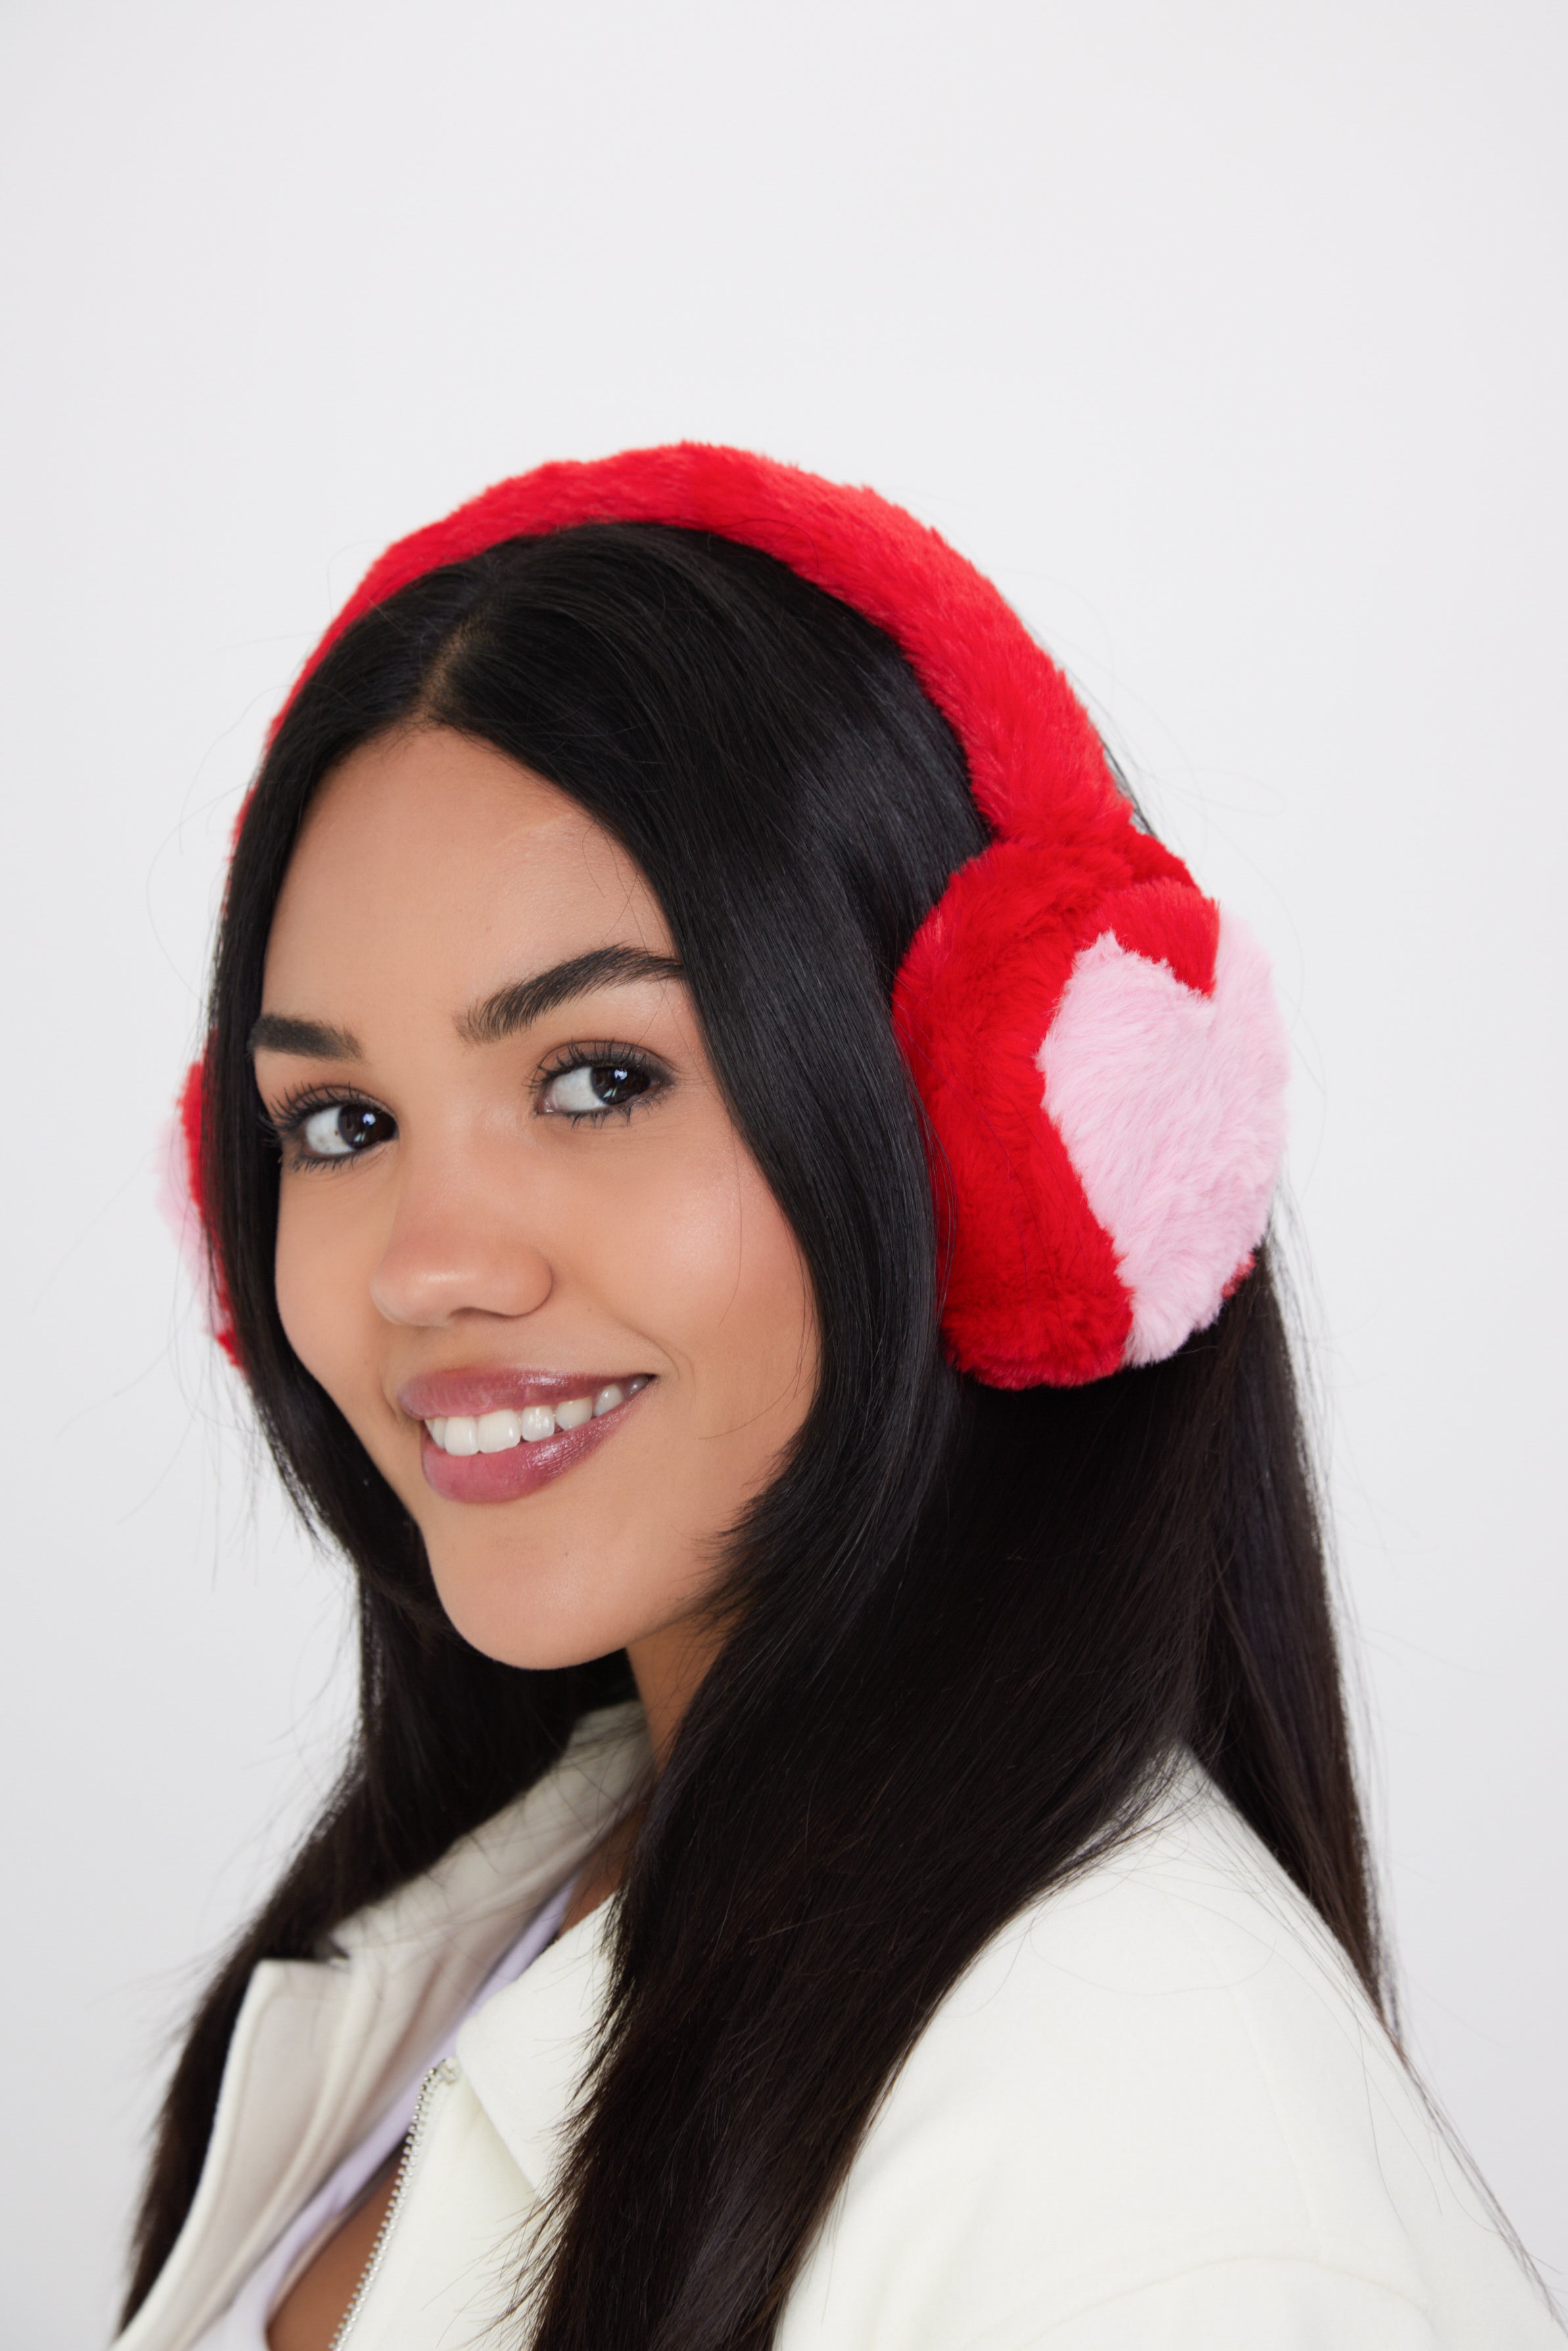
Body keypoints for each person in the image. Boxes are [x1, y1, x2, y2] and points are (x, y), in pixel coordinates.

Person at [116, 446, 1559, 2351]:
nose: (423, 1264)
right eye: (343, 1123)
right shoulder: (505, 1910)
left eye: (596, 1079)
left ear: (1007, 1138)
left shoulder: (1145, 2196)